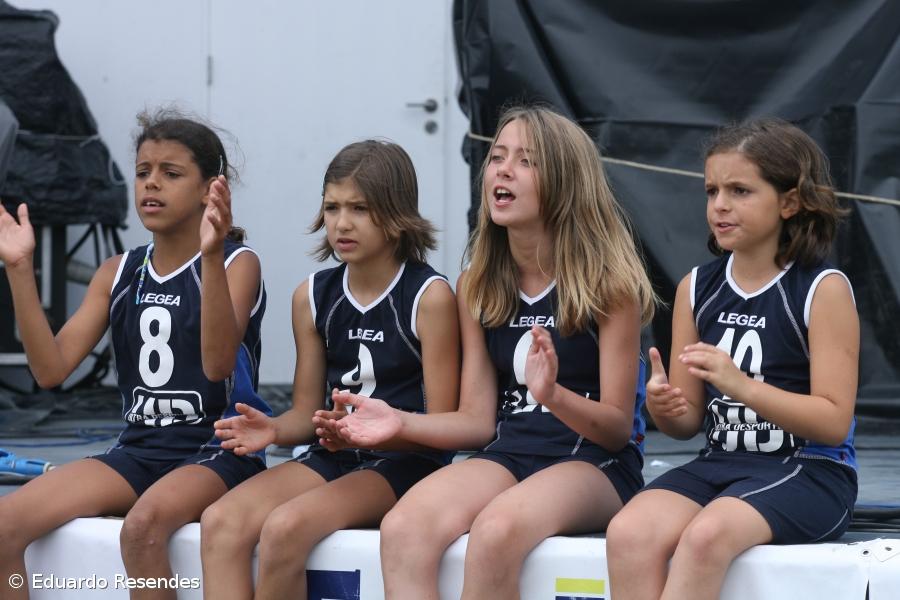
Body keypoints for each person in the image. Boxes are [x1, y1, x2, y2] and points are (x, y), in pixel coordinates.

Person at [323, 106, 656, 599]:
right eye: (497, 156)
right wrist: (397, 421)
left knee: (497, 530)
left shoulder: (608, 286)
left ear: (566, 181)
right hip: (509, 454)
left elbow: (614, 430)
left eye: (526, 161)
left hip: (594, 465)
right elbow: (478, 422)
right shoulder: (477, 285)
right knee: (404, 527)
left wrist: (554, 395)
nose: (502, 169)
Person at [0, 110, 269, 600]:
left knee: (142, 527)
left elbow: (217, 365)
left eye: (171, 173)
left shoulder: (236, 262)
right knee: (3, 527)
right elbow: (50, 370)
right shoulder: (118, 271)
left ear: (212, 188)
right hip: (139, 449)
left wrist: (209, 254)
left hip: (215, 451)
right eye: (144, 172)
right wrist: (20, 269)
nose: (152, 184)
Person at [606, 118, 859, 600]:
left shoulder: (822, 290)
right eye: (712, 191)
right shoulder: (696, 288)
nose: (719, 205)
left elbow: (833, 420)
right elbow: (688, 425)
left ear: (790, 201)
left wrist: (742, 385)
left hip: (811, 469)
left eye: (740, 191)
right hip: (721, 462)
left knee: (704, 537)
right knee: (628, 532)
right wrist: (666, 408)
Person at [200, 139, 460, 600]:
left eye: (360, 208)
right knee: (221, 522)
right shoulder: (312, 296)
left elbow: (443, 427)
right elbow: (307, 414)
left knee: (284, 527)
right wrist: (273, 431)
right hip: (335, 454)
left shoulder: (429, 297)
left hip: (405, 463)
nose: (342, 223)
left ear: (398, 214)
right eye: (332, 206)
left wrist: (372, 432)